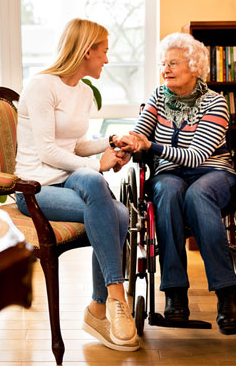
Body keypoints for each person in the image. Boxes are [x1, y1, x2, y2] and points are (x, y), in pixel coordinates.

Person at [14, 18, 138, 351]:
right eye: (104, 52)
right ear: (87, 51)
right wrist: (96, 164)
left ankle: (102, 306)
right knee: (116, 211)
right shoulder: (42, 86)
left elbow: (74, 146)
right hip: (36, 190)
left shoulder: (82, 92)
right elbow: (47, 151)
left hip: (68, 181)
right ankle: (111, 300)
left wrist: (110, 143)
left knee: (106, 196)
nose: (107, 60)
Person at [128, 32, 236, 332]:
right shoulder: (157, 98)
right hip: (170, 175)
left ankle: (227, 295)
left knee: (198, 196)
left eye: (174, 63)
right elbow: (139, 134)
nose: (165, 68)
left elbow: (195, 156)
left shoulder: (215, 103)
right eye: (163, 63)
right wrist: (125, 143)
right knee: (165, 191)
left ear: (194, 67)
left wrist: (150, 146)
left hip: (213, 172)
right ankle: (175, 294)